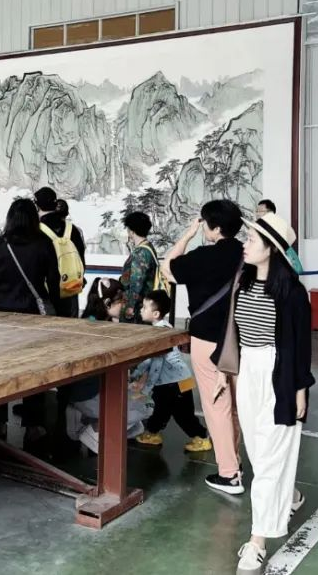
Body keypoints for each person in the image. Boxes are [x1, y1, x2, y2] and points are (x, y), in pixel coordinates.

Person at [215, 213, 314, 574]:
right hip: (249, 371)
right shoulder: (242, 282)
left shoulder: (292, 292)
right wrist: (228, 373)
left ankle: (257, 542)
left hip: (280, 374)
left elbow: (301, 347)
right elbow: (233, 333)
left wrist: (300, 390)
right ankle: (290, 496)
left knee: (269, 463)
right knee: (258, 455)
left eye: (253, 240)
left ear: (271, 249)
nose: (246, 244)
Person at [162, 199, 245, 494]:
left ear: (215, 228)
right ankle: (234, 461)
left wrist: (187, 235)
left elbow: (168, 269)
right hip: (240, 339)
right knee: (236, 406)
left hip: (208, 338)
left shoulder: (204, 256)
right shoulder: (246, 253)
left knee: (216, 405)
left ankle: (229, 473)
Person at [0, 199, 62, 440]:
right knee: (33, 370)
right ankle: (32, 425)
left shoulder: (0, 245)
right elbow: (54, 280)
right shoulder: (43, 243)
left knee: (0, 370)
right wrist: (57, 312)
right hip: (33, 315)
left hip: (2, 315)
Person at [72, 278, 153, 453]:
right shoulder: (102, 330)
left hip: (83, 393)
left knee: (137, 422)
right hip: (89, 394)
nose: (124, 305)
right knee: (146, 407)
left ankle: (92, 423)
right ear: (107, 303)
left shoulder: (90, 322)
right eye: (121, 301)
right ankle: (94, 431)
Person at [132, 290, 212, 452]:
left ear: (155, 314)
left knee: (182, 414)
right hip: (178, 380)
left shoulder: (159, 333)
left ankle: (202, 437)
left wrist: (146, 388)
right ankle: (152, 433)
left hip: (174, 383)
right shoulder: (163, 328)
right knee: (162, 409)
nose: (141, 310)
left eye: (145, 307)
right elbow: (150, 359)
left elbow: (156, 364)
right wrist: (137, 372)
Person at [35, 187, 86, 318]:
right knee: (70, 327)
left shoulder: (36, 230)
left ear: (37, 206)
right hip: (70, 288)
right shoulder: (72, 229)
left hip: (46, 293)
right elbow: (81, 258)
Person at [119, 211, 161, 323]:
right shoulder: (148, 247)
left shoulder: (140, 252)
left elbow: (137, 281)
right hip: (144, 303)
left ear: (132, 231)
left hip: (137, 306)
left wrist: (130, 306)